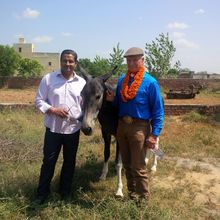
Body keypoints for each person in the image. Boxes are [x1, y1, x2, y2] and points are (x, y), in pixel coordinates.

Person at [106, 47, 164, 201]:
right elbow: (119, 103)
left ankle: (144, 201)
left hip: (140, 127)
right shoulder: (121, 80)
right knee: (126, 165)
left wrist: (154, 134)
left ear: (142, 60)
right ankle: (132, 196)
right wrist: (113, 100)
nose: (131, 63)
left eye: (135, 60)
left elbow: (158, 110)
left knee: (138, 167)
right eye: (128, 60)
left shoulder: (150, 82)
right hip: (122, 127)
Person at [35, 49, 86, 204]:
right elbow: (38, 101)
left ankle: (65, 193)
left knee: (69, 162)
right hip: (53, 130)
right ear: (60, 62)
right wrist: (53, 110)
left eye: (71, 61)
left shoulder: (82, 83)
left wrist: (81, 119)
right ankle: (41, 194)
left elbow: (85, 107)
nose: (68, 64)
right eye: (65, 60)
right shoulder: (48, 79)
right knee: (48, 162)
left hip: (72, 130)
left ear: (75, 63)